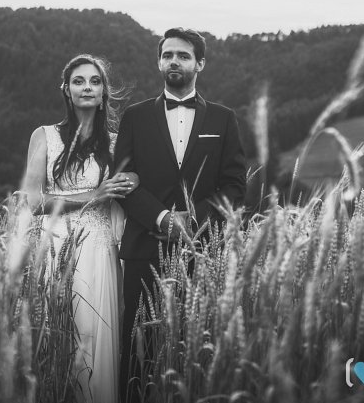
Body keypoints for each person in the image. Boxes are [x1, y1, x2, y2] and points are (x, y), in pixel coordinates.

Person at [114, 27, 247, 401]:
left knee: (197, 348)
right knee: (138, 349)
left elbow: (235, 187)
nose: (174, 61)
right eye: (168, 55)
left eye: (183, 55)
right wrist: (161, 218)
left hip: (202, 253)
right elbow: (122, 181)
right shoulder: (135, 117)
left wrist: (192, 221)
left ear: (200, 64)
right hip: (143, 250)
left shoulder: (223, 119)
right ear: (159, 62)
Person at [17, 54, 137, 403]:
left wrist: (131, 181)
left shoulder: (116, 142)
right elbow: (34, 201)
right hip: (53, 246)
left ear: (103, 93)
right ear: (66, 90)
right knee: (54, 334)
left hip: (98, 249)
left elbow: (131, 184)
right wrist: (93, 195)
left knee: (92, 337)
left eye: (95, 81)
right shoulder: (44, 136)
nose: (87, 87)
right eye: (79, 81)